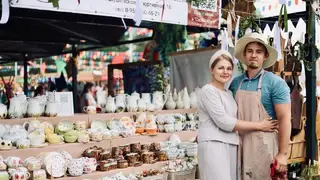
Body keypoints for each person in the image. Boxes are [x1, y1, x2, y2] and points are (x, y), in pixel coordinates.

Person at [197, 49, 278, 180]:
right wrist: (259, 125)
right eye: (220, 68)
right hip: (213, 145)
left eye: (229, 69)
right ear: (211, 70)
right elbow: (223, 121)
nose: (225, 72)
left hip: (230, 143)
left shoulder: (228, 93)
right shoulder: (208, 91)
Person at [229, 32, 291, 179]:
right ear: (244, 54)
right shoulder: (235, 83)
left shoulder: (275, 82)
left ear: (265, 56)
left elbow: (284, 118)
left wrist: (282, 154)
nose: (254, 55)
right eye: (250, 51)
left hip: (265, 147)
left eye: (259, 52)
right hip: (239, 145)